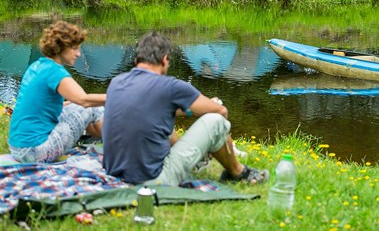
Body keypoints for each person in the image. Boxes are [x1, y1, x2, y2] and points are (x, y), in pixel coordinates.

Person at [102, 32, 268, 186]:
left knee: (156, 119)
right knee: (215, 121)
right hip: (153, 180)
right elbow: (220, 111)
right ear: (165, 60)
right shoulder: (169, 86)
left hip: (116, 174)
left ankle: (208, 160)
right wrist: (207, 110)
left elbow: (151, 108)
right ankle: (238, 172)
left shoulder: (117, 82)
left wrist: (187, 110)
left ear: (136, 60)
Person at [8, 21, 105, 163]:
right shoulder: (55, 72)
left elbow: (48, 105)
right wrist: (118, 96)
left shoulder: (37, 66)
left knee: (81, 106)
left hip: (18, 149)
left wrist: (73, 104)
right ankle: (120, 150)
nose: (78, 54)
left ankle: (110, 144)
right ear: (61, 47)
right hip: (34, 152)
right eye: (75, 48)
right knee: (92, 108)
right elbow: (84, 100)